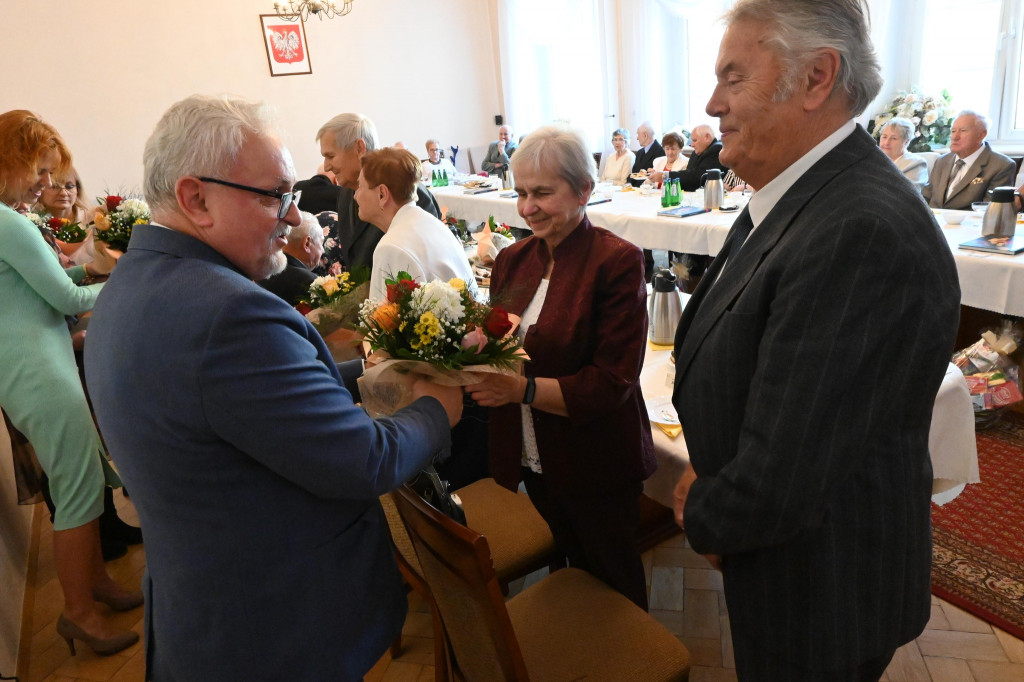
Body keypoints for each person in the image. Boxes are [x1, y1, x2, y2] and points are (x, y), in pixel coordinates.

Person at [84, 94, 464, 680]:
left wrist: (369, 374)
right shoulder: (228, 315)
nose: (292, 216)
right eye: (274, 196)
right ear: (195, 198)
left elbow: (249, 407)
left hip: (205, 608)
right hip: (271, 632)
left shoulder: (134, 281)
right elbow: (363, 461)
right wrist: (437, 408)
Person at [671, 1, 961, 679]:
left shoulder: (860, 230)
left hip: (822, 588)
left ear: (816, 78)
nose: (713, 104)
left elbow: (781, 480)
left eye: (733, 78)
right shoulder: (802, 193)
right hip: (789, 562)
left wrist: (701, 508)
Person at [464, 125, 655, 611]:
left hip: (596, 456)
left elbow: (611, 384)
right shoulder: (514, 258)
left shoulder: (617, 262)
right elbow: (501, 331)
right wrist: (470, 342)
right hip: (535, 450)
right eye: (522, 192)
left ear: (584, 190)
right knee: (572, 564)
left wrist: (520, 391)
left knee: (614, 576)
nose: (527, 208)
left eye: (543, 193)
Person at [0, 109, 139, 657]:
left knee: (79, 479)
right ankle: (79, 613)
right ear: (11, 159)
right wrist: (133, 275)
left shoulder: (9, 218)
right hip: (38, 371)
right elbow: (67, 300)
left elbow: (48, 284)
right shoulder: (7, 222)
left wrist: (99, 270)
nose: (47, 183)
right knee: (78, 488)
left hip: (38, 363)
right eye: (39, 169)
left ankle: (96, 583)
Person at [318, 112, 440, 273]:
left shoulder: (406, 191)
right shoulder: (345, 193)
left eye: (330, 156)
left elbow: (428, 263)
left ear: (359, 148)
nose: (326, 167)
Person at [355, 148, 474, 301]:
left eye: (360, 187)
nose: (356, 195)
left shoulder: (391, 247)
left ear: (382, 194)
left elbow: (381, 321)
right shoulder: (432, 223)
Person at [922, 110, 1015, 210]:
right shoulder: (942, 161)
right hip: (932, 222)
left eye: (963, 131)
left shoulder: (1001, 165)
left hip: (968, 224)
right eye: (953, 131)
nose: (955, 137)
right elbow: (925, 198)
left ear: (981, 135)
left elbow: (990, 210)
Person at [257, 210, 323, 306]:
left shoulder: (263, 269)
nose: (323, 251)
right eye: (321, 242)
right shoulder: (311, 283)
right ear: (307, 243)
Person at [651, 124, 727, 190]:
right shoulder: (696, 152)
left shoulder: (717, 149)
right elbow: (688, 175)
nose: (692, 145)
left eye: (695, 140)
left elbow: (696, 177)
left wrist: (665, 176)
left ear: (707, 137)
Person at [877, 117, 928, 188]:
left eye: (894, 138)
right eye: (884, 137)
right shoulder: (873, 159)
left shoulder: (916, 164)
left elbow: (909, 195)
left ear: (906, 142)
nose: (886, 143)